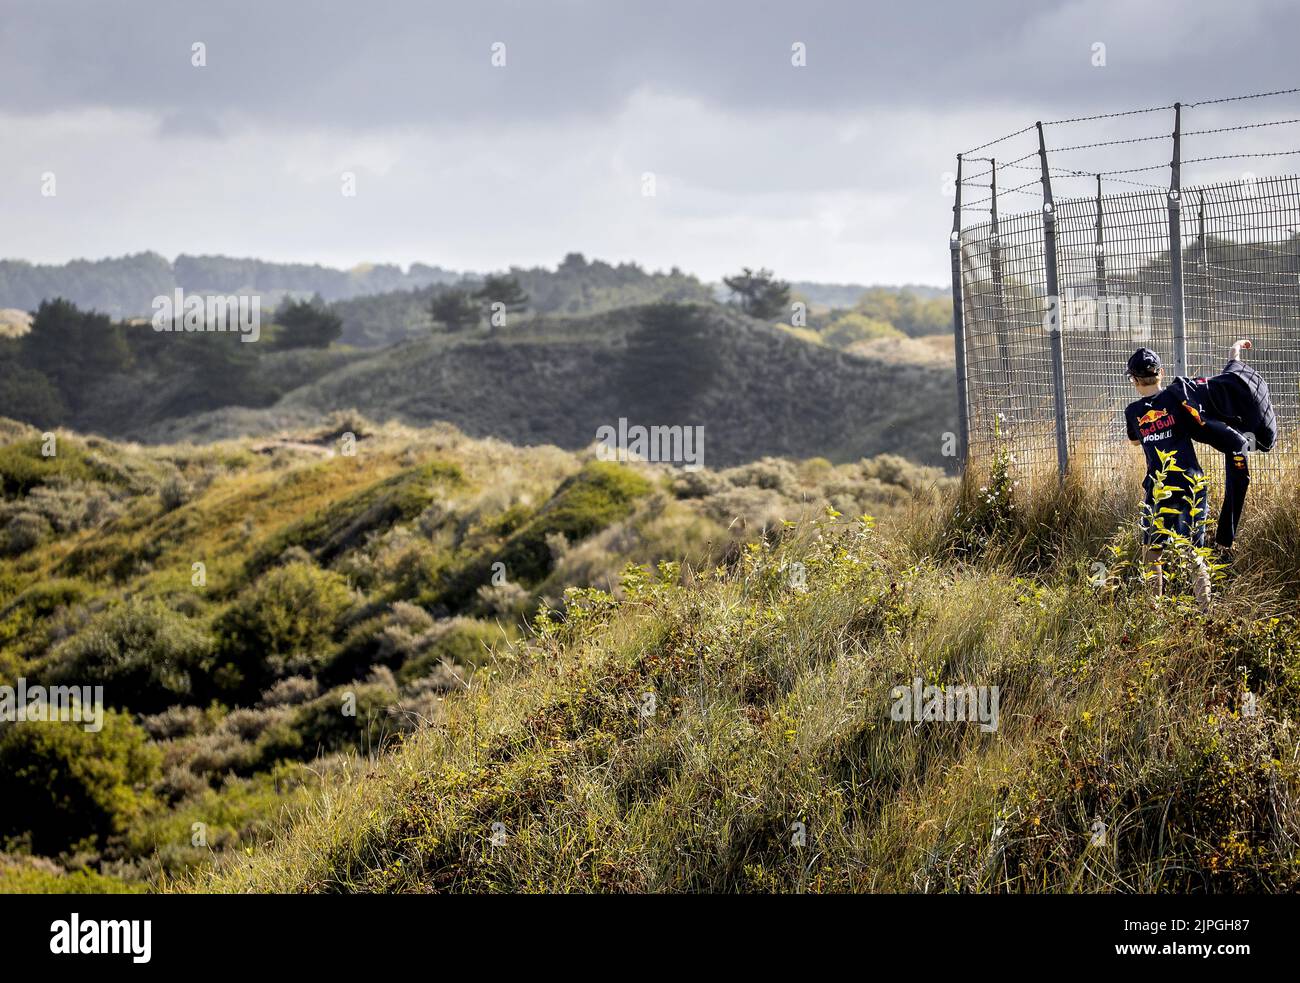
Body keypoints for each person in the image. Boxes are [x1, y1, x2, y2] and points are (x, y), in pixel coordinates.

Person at [1123, 347, 1249, 608]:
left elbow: (1135, 442)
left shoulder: (1133, 411)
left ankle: (1154, 612)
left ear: (1134, 381)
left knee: (1152, 553)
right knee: (1193, 553)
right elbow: (1215, 390)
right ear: (1161, 374)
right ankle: (1206, 610)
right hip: (1192, 484)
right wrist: (1234, 357)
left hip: (1159, 487)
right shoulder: (1176, 397)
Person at [1163, 339, 1276, 558]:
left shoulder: (1234, 375)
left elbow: (1234, 356)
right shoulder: (1244, 425)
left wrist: (1238, 344)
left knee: (1236, 473)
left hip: (1181, 392)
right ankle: (1220, 542)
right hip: (1189, 410)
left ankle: (1215, 541)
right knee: (1238, 479)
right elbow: (1241, 452)